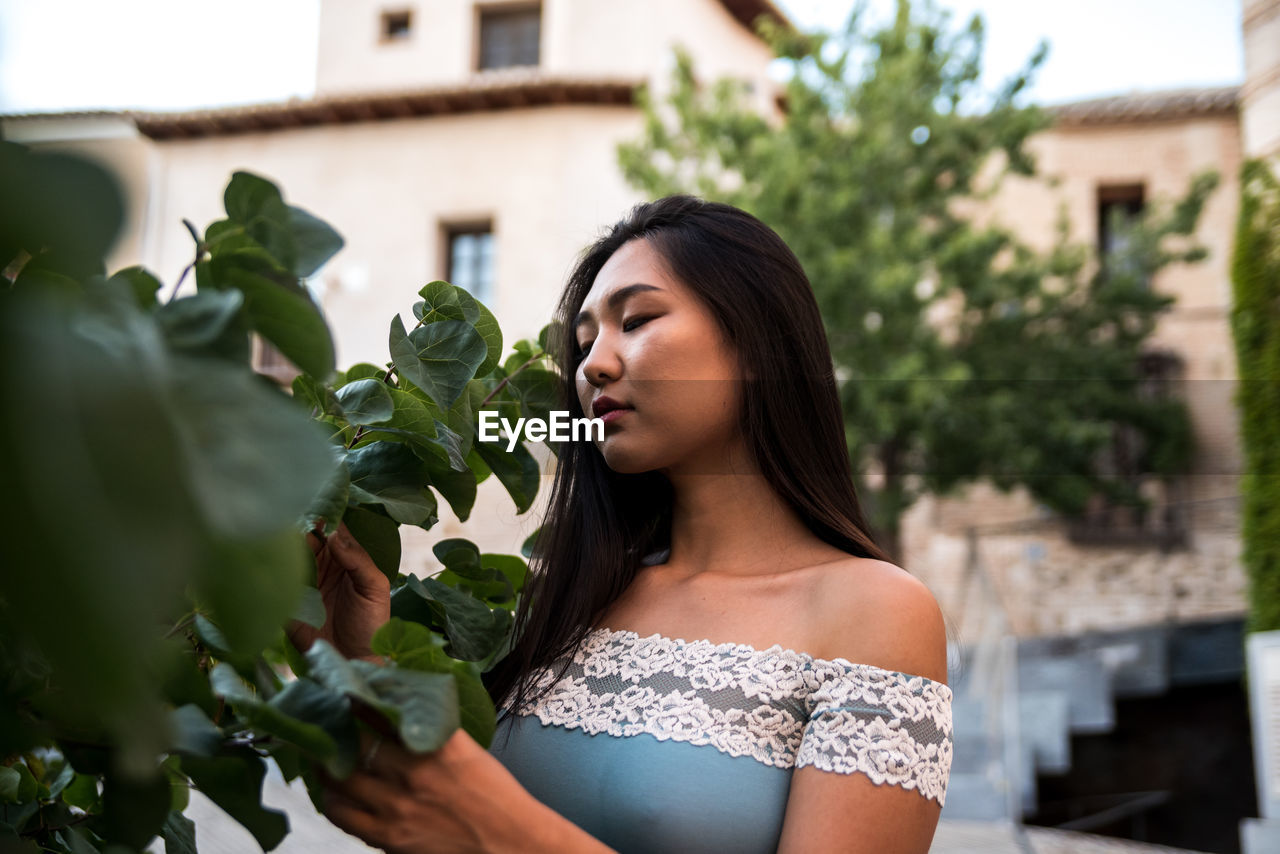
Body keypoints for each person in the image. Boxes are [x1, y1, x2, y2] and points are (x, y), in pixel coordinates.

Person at [298, 196, 953, 854]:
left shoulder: (877, 613)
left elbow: (479, 822)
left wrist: (501, 831)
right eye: (583, 344)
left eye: (636, 320)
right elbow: (429, 816)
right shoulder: (572, 598)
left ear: (759, 341)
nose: (593, 366)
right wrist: (362, 661)